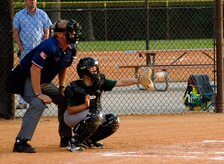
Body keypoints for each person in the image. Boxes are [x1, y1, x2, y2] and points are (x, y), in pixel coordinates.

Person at [12, 19, 81, 153]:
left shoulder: (70, 49)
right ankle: (20, 142)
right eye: (70, 31)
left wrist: (61, 87)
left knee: (65, 100)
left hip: (42, 81)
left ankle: (66, 138)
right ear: (60, 34)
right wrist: (39, 94)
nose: (74, 33)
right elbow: (34, 69)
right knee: (38, 103)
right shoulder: (49, 46)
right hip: (25, 78)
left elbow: (64, 66)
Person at [63, 57, 155, 152]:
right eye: (91, 67)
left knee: (113, 120)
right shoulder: (76, 86)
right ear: (83, 70)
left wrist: (139, 80)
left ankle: (88, 141)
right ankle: (74, 142)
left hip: (91, 114)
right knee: (96, 115)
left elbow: (121, 82)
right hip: (71, 116)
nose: (95, 69)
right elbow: (70, 110)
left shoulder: (99, 82)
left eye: (95, 67)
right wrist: (85, 106)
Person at [13, 0, 52, 109]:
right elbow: (15, 33)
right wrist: (21, 48)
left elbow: (47, 31)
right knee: (24, 74)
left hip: (39, 50)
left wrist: (44, 46)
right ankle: (22, 101)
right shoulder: (19, 15)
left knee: (40, 73)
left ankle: (40, 99)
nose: (33, 1)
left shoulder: (42, 14)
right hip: (25, 50)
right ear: (26, 1)